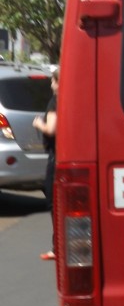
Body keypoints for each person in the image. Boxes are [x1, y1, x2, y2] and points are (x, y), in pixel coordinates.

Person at [34, 68, 59, 260]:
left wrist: (38, 124)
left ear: (58, 83)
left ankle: (57, 247)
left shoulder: (55, 102)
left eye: (52, 81)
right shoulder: (72, 99)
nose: (51, 85)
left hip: (55, 157)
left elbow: (51, 128)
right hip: (67, 154)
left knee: (53, 201)